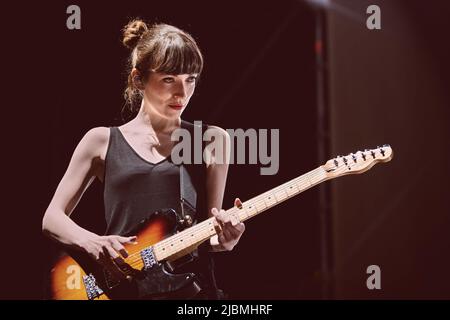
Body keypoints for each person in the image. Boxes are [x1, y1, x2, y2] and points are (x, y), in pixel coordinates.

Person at [42, 19, 245, 299]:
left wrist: (226, 239)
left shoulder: (213, 140)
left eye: (190, 80)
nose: (182, 94)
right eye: (168, 79)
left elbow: (208, 234)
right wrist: (93, 242)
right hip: (123, 290)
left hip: (192, 294)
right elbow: (52, 218)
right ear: (138, 79)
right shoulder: (100, 140)